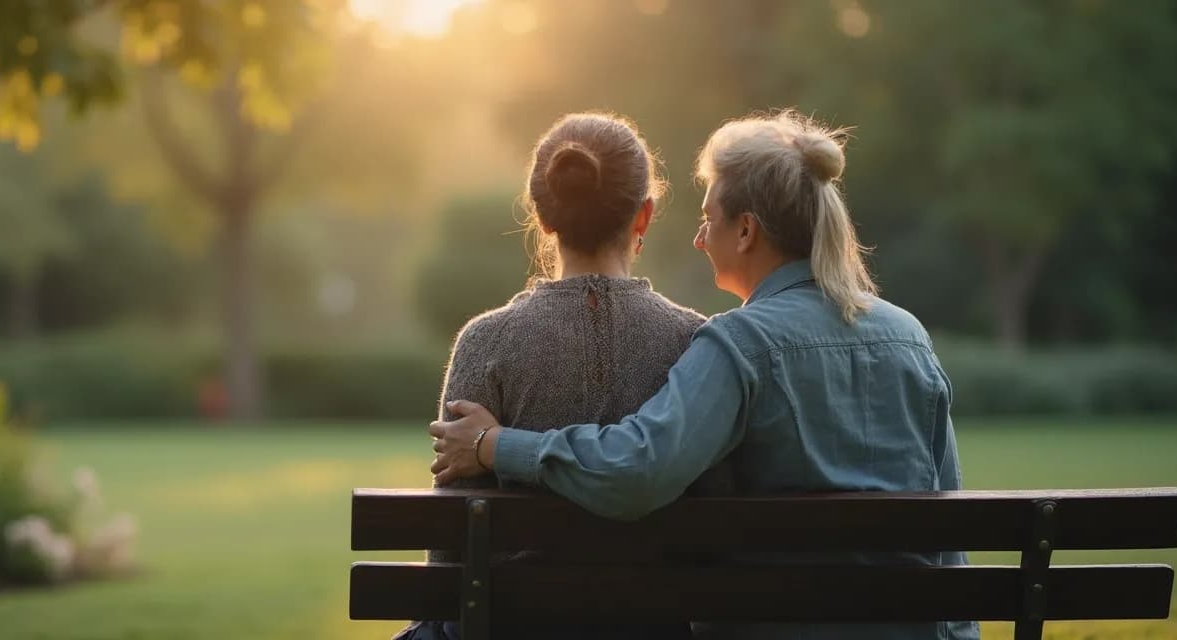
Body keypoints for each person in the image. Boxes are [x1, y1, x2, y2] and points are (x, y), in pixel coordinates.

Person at [429, 110, 981, 640]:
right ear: (641, 215)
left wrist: (492, 443)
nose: (698, 238)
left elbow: (639, 469)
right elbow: (947, 518)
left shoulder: (736, 345)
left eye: (707, 219)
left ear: (745, 231)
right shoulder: (908, 335)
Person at [397, 112, 707, 640]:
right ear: (644, 216)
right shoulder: (697, 343)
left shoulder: (486, 342)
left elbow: (448, 550)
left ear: (542, 217)